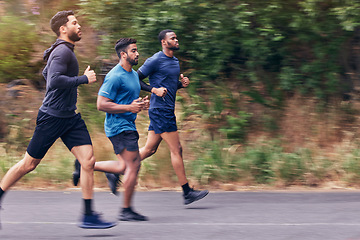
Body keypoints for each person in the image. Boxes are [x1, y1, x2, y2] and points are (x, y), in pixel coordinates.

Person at [0, 10, 116, 229]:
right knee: (29, 164)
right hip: (52, 117)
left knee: (88, 161)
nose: (79, 25)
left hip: (70, 118)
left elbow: (47, 74)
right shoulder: (62, 52)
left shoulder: (61, 50)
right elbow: (54, 81)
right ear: (63, 29)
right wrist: (84, 79)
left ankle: (89, 215)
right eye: (74, 23)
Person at [105, 29, 209, 205]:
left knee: (149, 150)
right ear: (163, 42)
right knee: (177, 150)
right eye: (173, 38)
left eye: (176, 37)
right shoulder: (155, 60)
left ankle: (116, 172)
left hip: (165, 109)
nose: (176, 40)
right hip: (161, 111)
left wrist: (180, 85)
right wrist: (153, 90)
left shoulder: (174, 61)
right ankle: (186, 192)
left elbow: (168, 87)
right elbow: (135, 79)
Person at [73, 38, 149, 221]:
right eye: (133, 51)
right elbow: (101, 104)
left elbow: (127, 99)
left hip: (127, 124)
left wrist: (140, 104)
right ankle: (126, 210)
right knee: (134, 165)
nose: (137, 53)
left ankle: (85, 165)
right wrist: (128, 108)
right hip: (119, 126)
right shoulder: (115, 76)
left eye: (137, 50)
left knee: (124, 166)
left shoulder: (132, 74)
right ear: (123, 54)